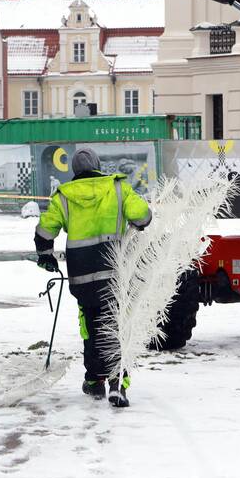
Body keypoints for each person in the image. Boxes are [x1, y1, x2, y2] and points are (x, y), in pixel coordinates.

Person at [34, 147, 152, 408]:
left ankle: (94, 379)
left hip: (82, 274)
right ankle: (117, 383)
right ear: (99, 165)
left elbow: (44, 231)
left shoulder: (64, 196)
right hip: (115, 272)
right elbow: (142, 216)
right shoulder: (119, 188)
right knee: (117, 325)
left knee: (91, 324)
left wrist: (45, 255)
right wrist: (138, 223)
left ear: (74, 170)